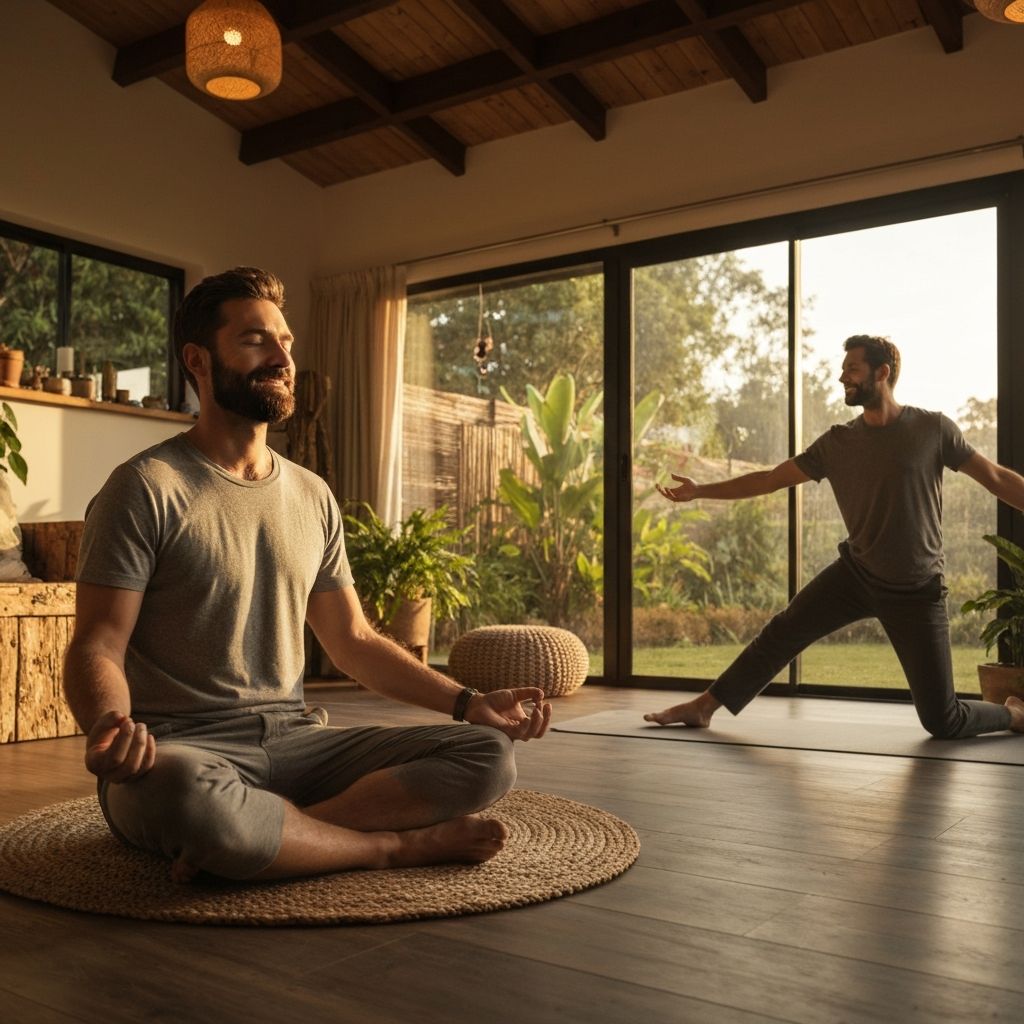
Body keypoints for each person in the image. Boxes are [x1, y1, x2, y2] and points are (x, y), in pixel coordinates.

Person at [63, 266, 551, 884]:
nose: (281, 357)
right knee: (184, 796)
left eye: (286, 341)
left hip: (298, 743)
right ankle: (389, 847)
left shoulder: (312, 494)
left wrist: (469, 703)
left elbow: (353, 642)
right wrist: (110, 725)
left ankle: (273, 837)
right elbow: (98, 643)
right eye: (254, 340)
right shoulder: (144, 487)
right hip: (182, 749)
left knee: (486, 756)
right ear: (198, 360)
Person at [645, 334, 1024, 738]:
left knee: (942, 721)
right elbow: (772, 479)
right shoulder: (837, 443)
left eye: (852, 369)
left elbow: (996, 477)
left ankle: (1014, 715)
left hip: (916, 589)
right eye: (843, 369)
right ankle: (704, 707)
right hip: (857, 575)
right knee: (782, 631)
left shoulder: (932, 429)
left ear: (883, 373)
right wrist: (701, 490)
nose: (842, 376)